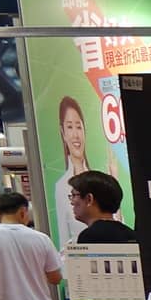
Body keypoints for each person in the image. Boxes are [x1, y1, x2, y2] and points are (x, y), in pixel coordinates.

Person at [54, 96, 94, 242]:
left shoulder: (100, 178)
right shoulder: (61, 187)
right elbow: (64, 242)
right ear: (63, 133)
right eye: (70, 127)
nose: (76, 135)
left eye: (79, 126)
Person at [68, 170, 136, 243]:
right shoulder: (132, 235)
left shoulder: (90, 236)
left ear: (89, 199)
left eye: (74, 195)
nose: (72, 202)